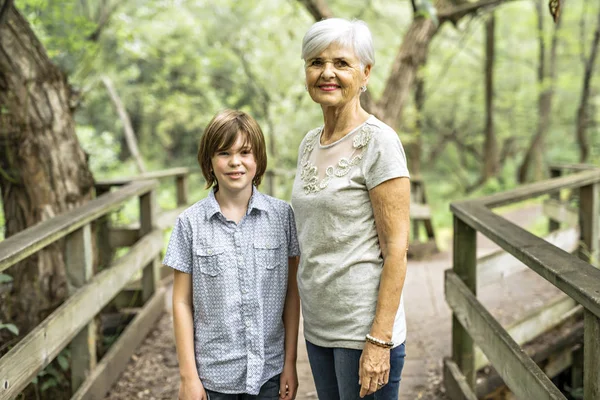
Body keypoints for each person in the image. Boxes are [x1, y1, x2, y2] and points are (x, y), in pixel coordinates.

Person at [291, 18, 411, 400]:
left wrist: (379, 339)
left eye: (342, 63)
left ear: (365, 73)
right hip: (319, 325)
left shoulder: (380, 143)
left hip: (363, 331)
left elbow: (396, 248)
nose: (327, 73)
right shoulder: (310, 143)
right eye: (316, 62)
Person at [164, 109, 300, 400]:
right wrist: (188, 376)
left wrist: (290, 363)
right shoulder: (189, 224)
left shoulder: (282, 216)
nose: (235, 162)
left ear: (258, 159)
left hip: (269, 373)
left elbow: (291, 294)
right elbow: (181, 302)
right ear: (209, 162)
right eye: (224, 153)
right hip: (213, 377)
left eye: (245, 152)